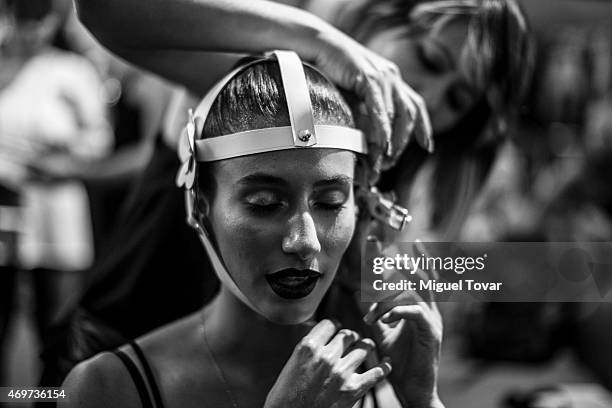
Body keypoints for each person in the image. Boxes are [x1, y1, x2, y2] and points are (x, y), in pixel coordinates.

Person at [60, 52, 443, 408]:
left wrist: (422, 399)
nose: (304, 241)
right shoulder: (105, 388)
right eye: (264, 204)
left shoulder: (377, 373)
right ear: (200, 205)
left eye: (329, 203)